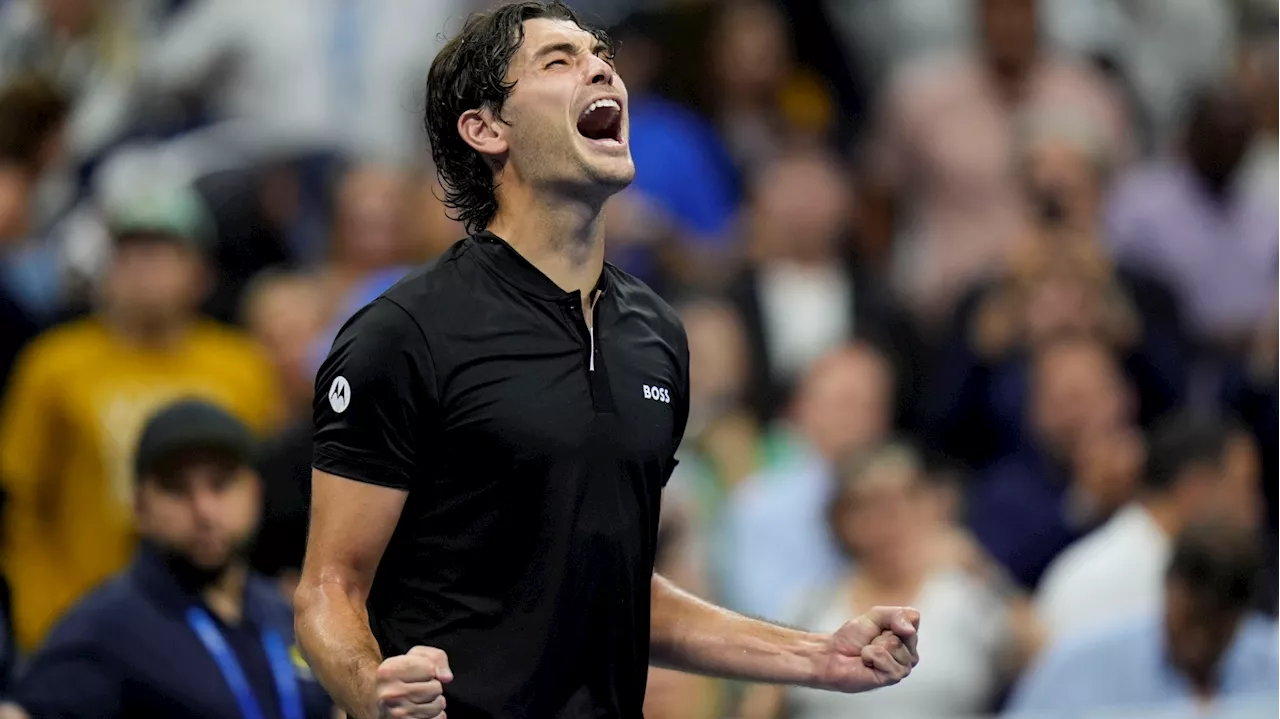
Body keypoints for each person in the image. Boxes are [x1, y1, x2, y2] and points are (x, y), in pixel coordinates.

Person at [294, 4, 920, 719]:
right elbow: (328, 589)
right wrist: (370, 694)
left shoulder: (655, 334)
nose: (600, 68)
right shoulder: (403, 333)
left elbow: (622, 589)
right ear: (486, 127)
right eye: (557, 61)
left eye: (600, 55)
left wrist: (818, 654)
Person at [0, 184, 282, 650]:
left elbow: (266, 495)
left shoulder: (243, 367)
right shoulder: (53, 365)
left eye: (163, 252)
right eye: (130, 253)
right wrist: (41, 614)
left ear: (201, 272)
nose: (145, 269)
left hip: (216, 622)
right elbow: (21, 505)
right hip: (80, 620)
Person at [0, 399, 334, 718]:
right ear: (140, 507)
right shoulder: (106, 629)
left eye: (220, 485)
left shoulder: (281, 611)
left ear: (255, 494)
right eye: (177, 490)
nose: (204, 511)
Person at [742, 443, 1041, 719]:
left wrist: (978, 566)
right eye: (871, 505)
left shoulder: (968, 596)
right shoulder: (810, 607)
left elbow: (1045, 659)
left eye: (905, 498)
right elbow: (758, 708)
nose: (890, 518)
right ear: (841, 521)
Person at [1007, 519, 1280, 717]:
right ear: (1169, 590)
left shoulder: (1271, 661)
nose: (1199, 641)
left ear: (1242, 617)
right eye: (1190, 622)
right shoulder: (1076, 666)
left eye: (1216, 628)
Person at [1035, 413, 1262, 640]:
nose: (1255, 511)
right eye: (1244, 488)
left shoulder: (1212, 576)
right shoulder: (1101, 581)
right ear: (1197, 490)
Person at [721, 343, 897, 619]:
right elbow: (765, 620)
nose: (860, 422)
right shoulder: (759, 505)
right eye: (845, 404)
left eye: (872, 407)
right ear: (804, 408)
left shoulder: (905, 504)